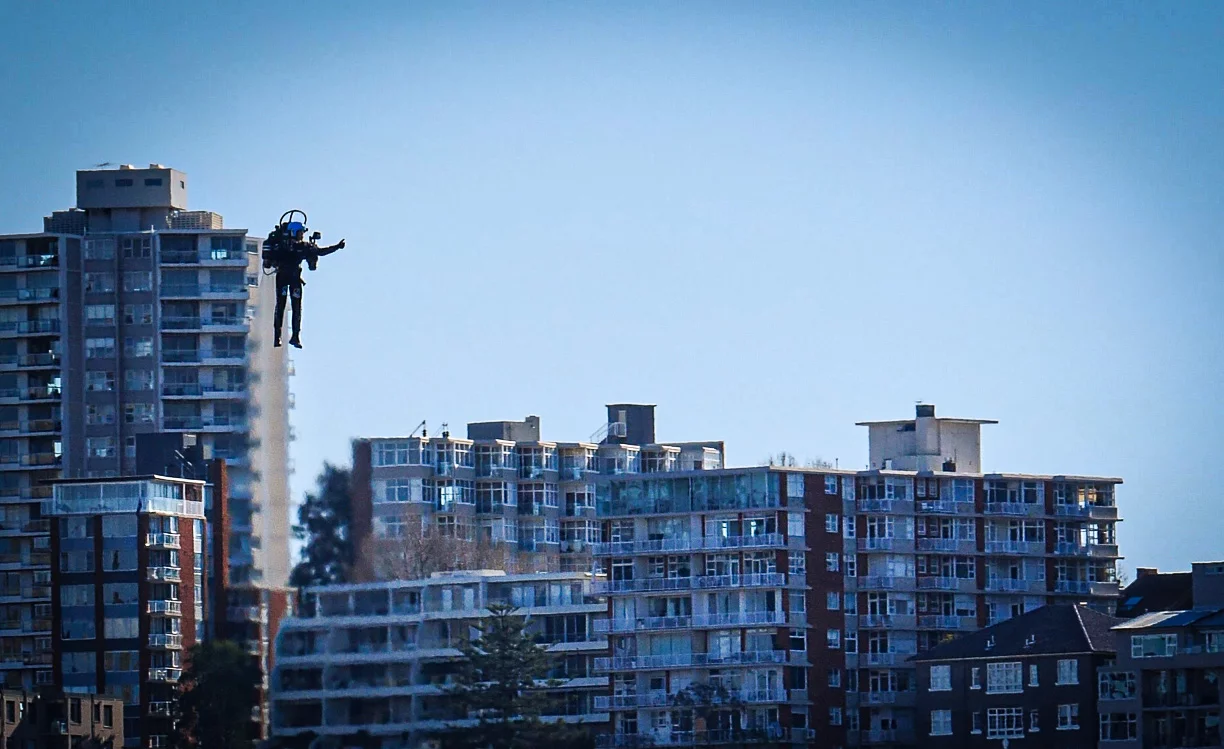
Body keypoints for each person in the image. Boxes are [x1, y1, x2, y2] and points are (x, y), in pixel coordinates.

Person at [262, 216, 344, 348]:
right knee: (281, 306)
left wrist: (336, 247)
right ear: (294, 232)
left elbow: (320, 252)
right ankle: (277, 336)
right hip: (284, 277)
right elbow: (269, 260)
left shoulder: (303, 246)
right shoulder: (281, 246)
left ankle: (294, 336)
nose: (302, 235)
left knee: (296, 308)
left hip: (293, 278)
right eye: (300, 232)